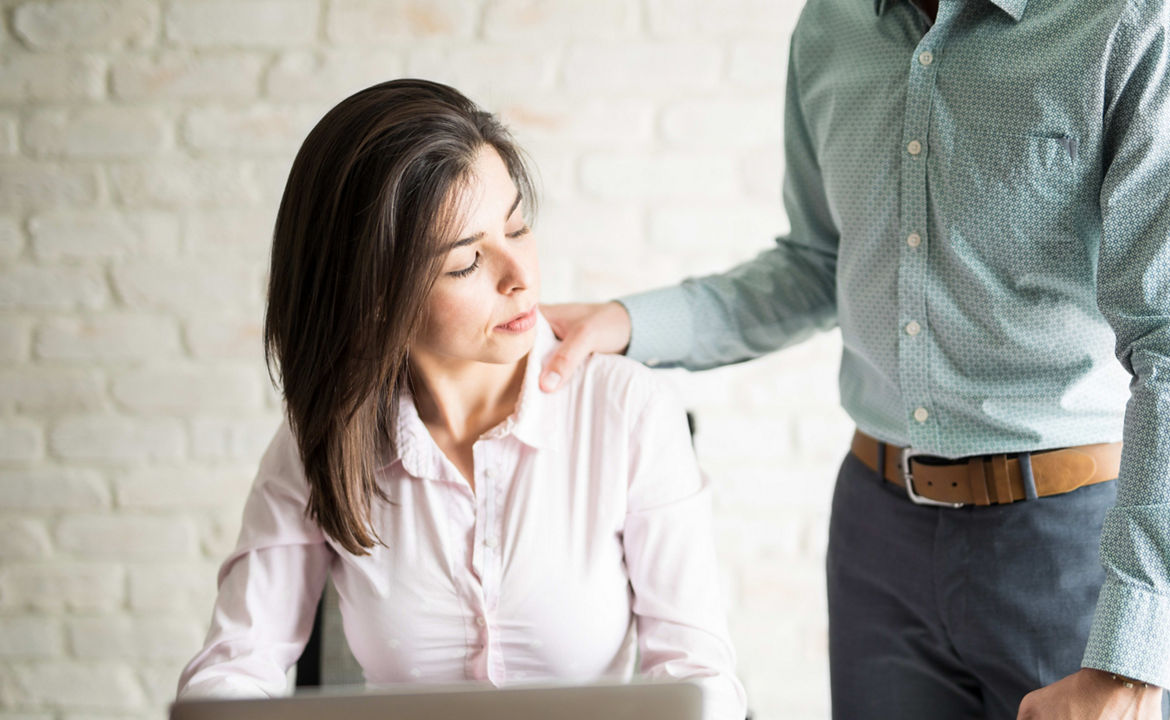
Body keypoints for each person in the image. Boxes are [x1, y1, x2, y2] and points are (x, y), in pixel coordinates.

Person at [537, 0, 1170, 718]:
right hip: (878, 534)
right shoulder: (831, 25)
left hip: (1067, 544)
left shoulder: (1138, 18)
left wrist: (1131, 664)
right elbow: (818, 264)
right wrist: (631, 324)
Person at [176, 79, 747, 720]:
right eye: (466, 263)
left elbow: (701, 679)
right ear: (373, 298)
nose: (521, 277)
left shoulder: (628, 412)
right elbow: (233, 671)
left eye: (518, 227)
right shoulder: (322, 441)